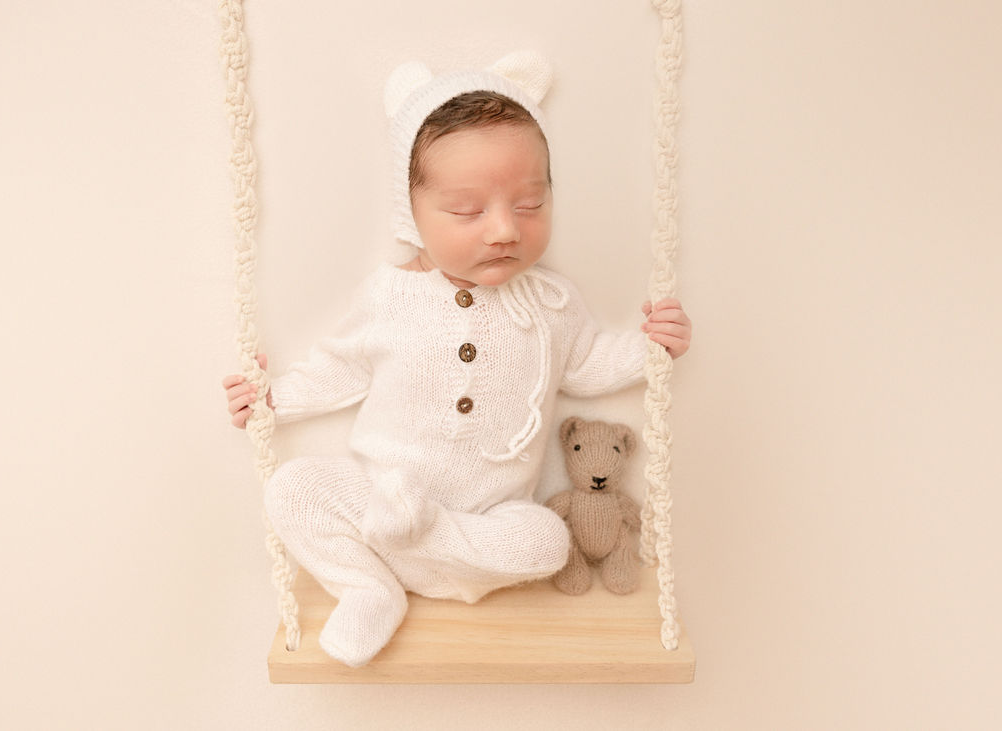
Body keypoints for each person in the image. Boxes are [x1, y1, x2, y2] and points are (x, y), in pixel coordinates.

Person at [221, 52, 692, 667]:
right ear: (409, 213)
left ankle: (427, 538)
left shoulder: (550, 302)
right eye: (468, 211)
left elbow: (585, 364)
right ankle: (370, 588)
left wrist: (650, 348)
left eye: (529, 205)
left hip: (485, 529)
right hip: (384, 501)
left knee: (547, 540)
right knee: (294, 490)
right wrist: (271, 399)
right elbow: (340, 368)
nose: (504, 230)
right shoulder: (390, 297)